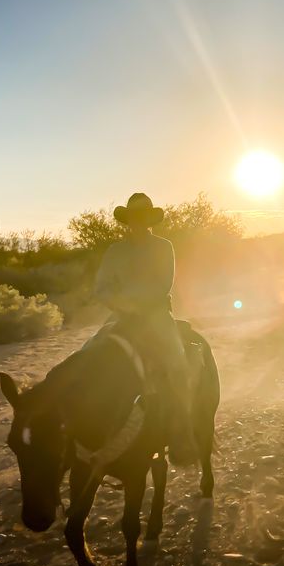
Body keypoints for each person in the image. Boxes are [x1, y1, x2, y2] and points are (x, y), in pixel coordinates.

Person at [93, 192, 199, 465]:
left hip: (155, 315)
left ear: (149, 220)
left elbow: (163, 283)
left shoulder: (164, 247)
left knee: (176, 363)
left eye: (141, 218)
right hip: (122, 316)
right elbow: (102, 286)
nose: (137, 224)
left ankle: (182, 431)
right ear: (127, 221)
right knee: (89, 354)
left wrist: (136, 305)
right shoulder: (115, 251)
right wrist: (122, 306)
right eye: (133, 219)